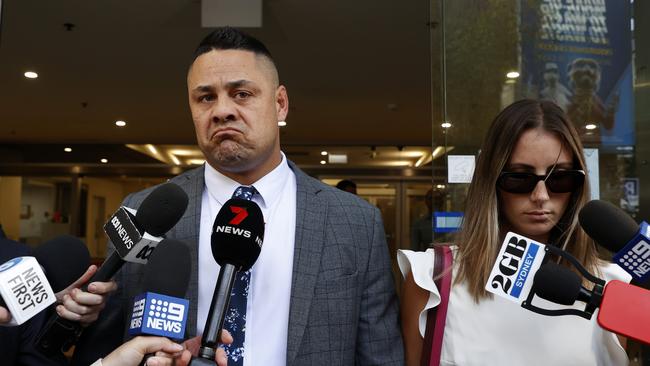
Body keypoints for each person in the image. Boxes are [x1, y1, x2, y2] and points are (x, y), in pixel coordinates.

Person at [64, 27, 403, 365]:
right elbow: (102, 347)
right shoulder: (145, 212)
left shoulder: (355, 221)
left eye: (241, 93)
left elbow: (379, 355)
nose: (221, 110)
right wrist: (77, 318)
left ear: (280, 103)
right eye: (205, 97)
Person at [400, 99, 631, 365]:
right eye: (519, 178)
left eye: (561, 178)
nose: (541, 196)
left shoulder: (614, 287)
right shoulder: (431, 278)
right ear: (492, 182)